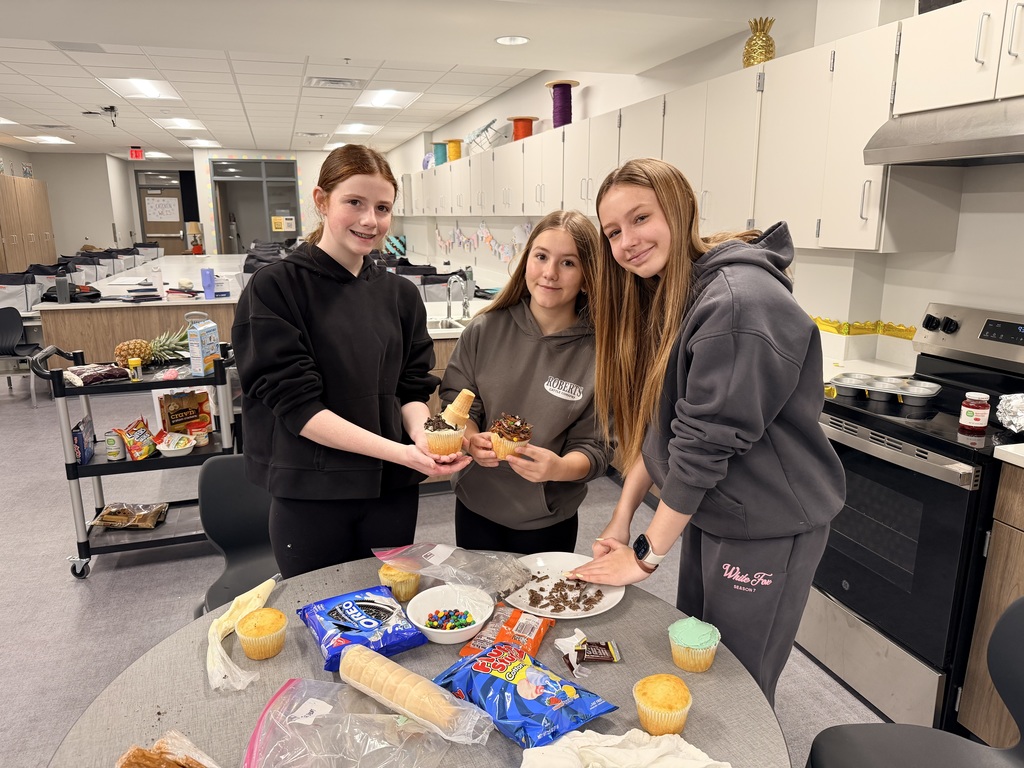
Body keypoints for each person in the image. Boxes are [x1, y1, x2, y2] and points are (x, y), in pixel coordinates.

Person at [570, 158, 845, 705]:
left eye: (640, 218)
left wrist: (647, 553)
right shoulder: (678, 291)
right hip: (706, 510)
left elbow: (702, 445)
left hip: (766, 523)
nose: (628, 241)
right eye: (613, 231)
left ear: (680, 207)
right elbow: (663, 424)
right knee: (698, 654)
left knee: (738, 681)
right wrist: (624, 521)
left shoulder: (739, 304)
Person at [233, 144, 471, 578]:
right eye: (354, 203)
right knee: (322, 614)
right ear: (322, 201)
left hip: (391, 491)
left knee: (388, 609)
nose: (370, 220)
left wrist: (422, 438)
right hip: (312, 494)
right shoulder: (276, 288)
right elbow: (297, 407)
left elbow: (411, 386)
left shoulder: (400, 295)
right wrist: (401, 452)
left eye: (383, 208)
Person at [439, 210, 612, 555]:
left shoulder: (601, 353)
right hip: (477, 505)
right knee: (480, 601)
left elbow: (597, 446)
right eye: (541, 256)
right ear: (526, 260)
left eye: (568, 263)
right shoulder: (485, 330)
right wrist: (472, 440)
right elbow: (458, 404)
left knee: (536, 609)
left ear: (589, 277)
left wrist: (560, 468)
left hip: (547, 517)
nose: (549, 273)